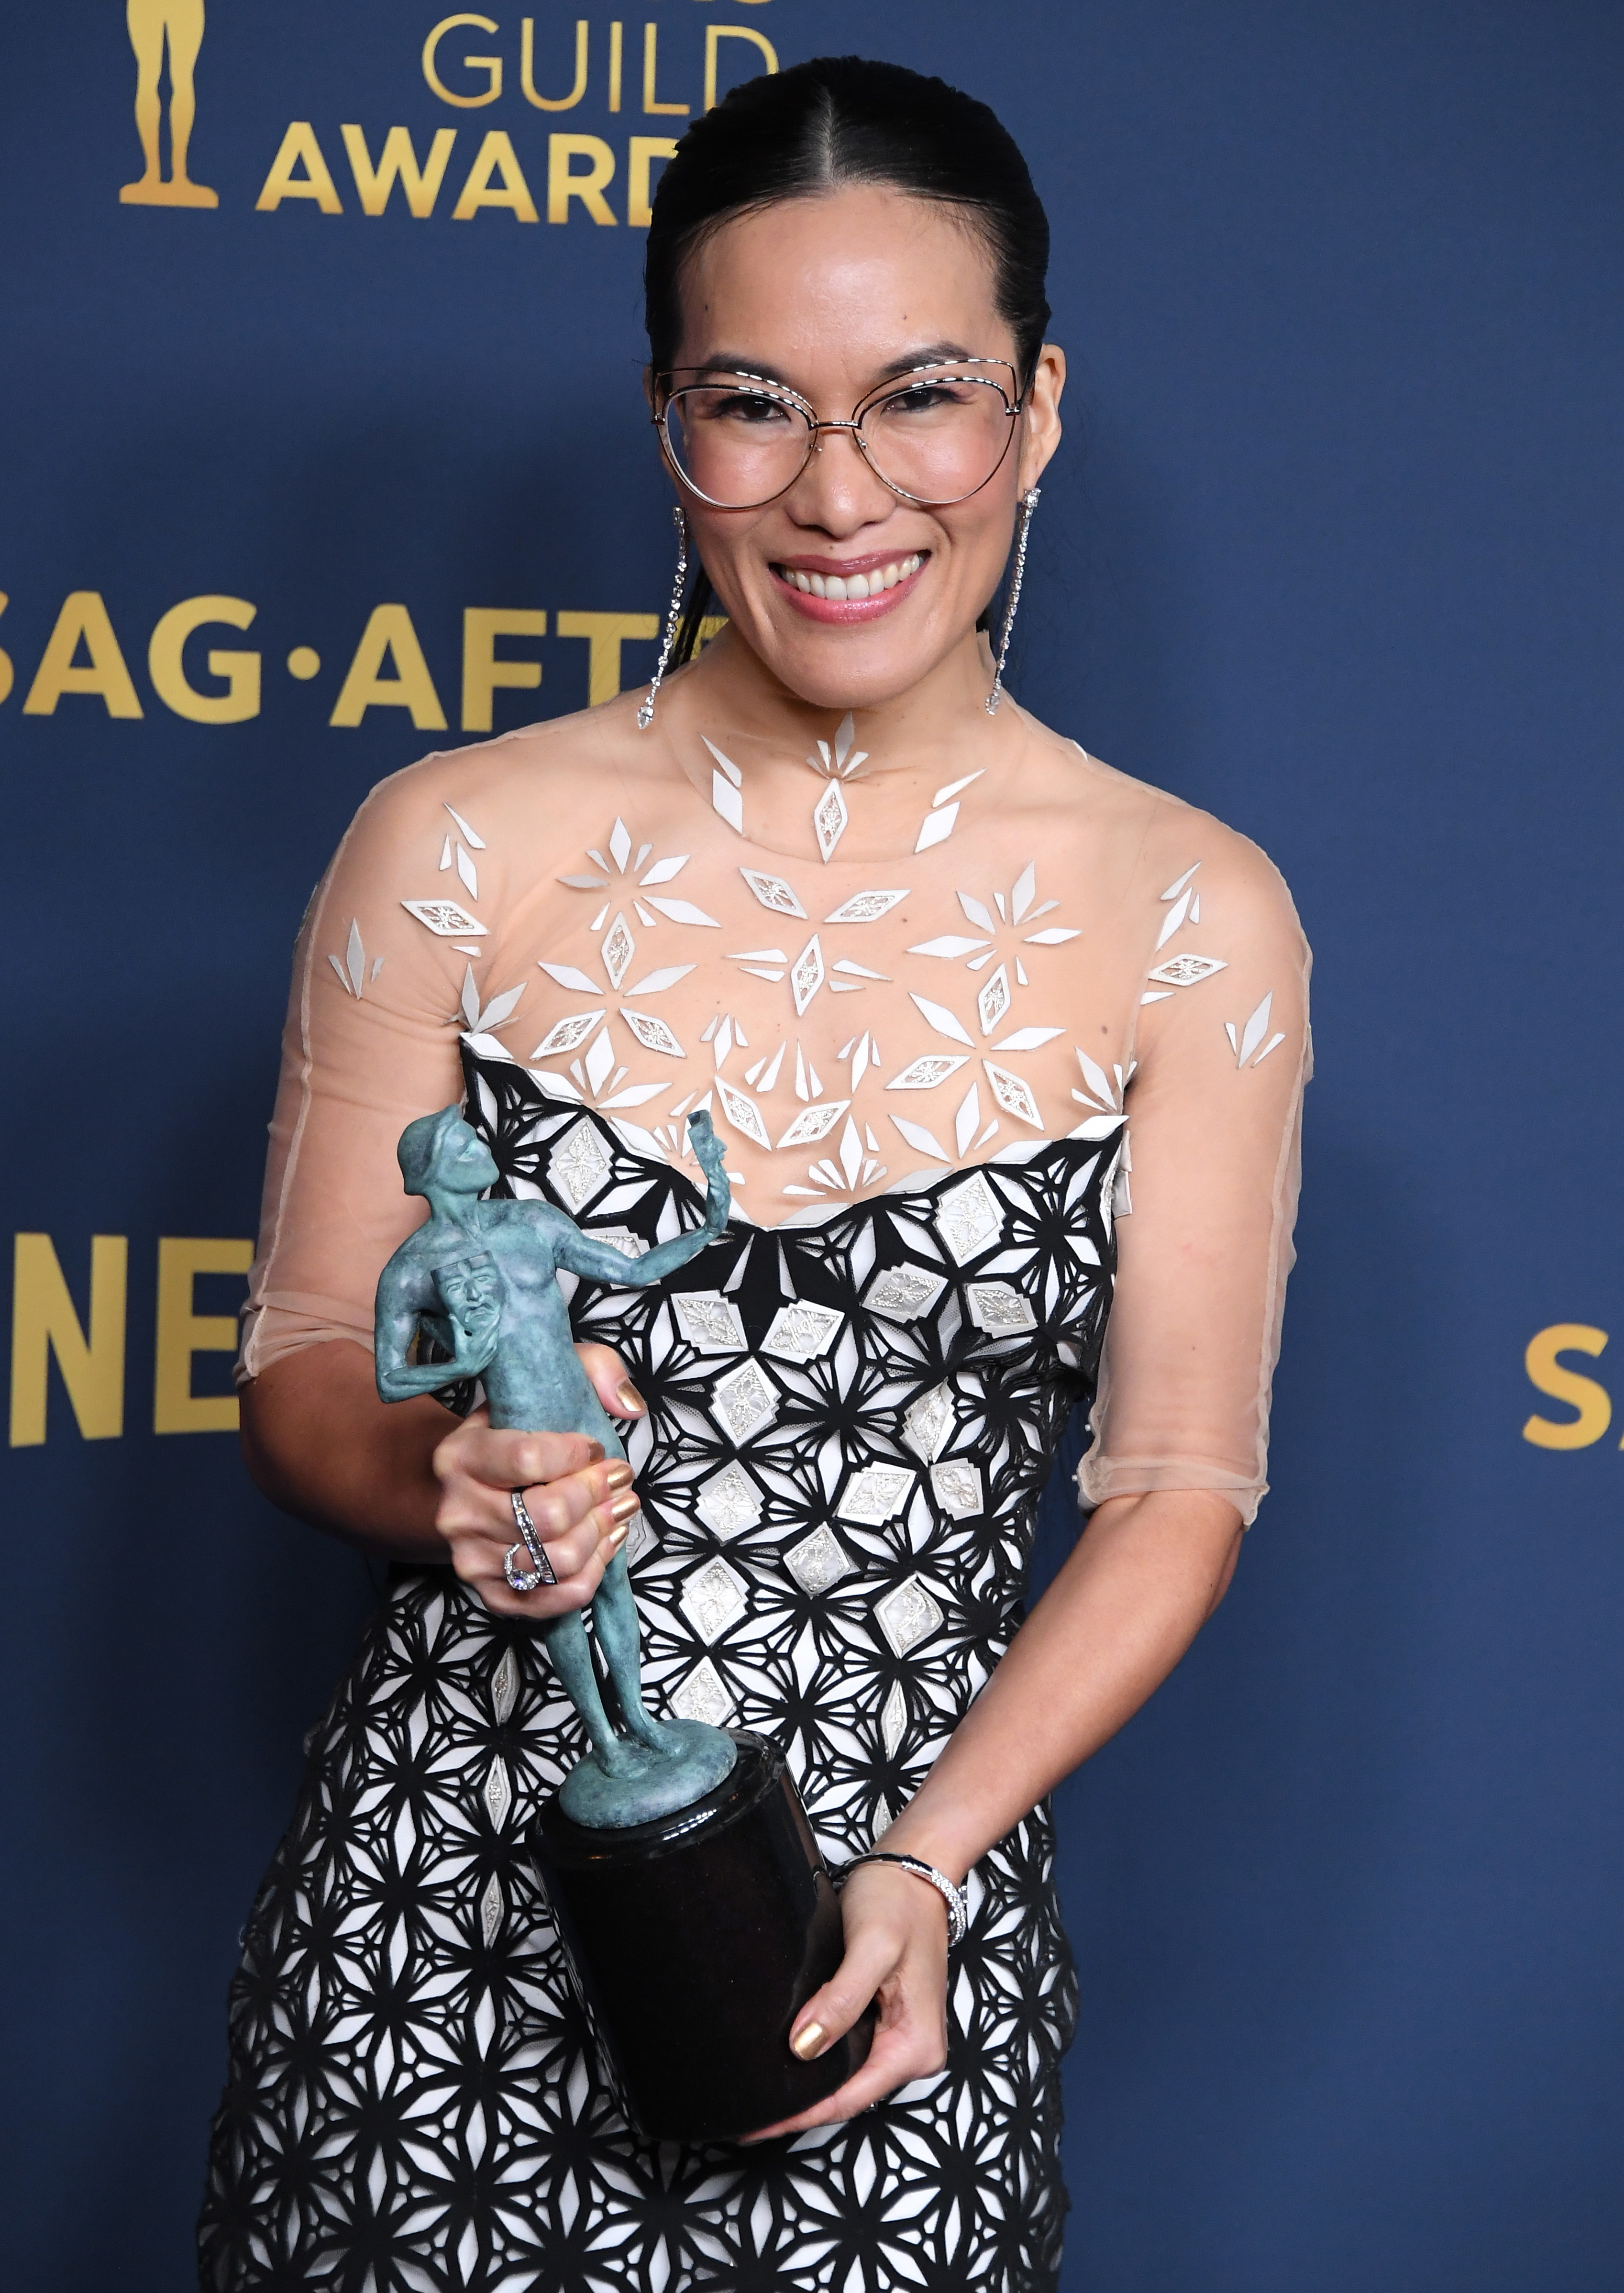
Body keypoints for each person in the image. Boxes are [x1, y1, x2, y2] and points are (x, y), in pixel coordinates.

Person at [198, 55, 1310, 2293]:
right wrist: (451, 1478)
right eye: (754, 403)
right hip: (447, 1928)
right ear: (665, 423)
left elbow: (1180, 1473)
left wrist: (927, 1860)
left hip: (887, 1941)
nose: (842, 493)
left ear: (1039, 407)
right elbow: (308, 1357)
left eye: (922, 396)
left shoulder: (1194, 910)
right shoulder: (451, 840)